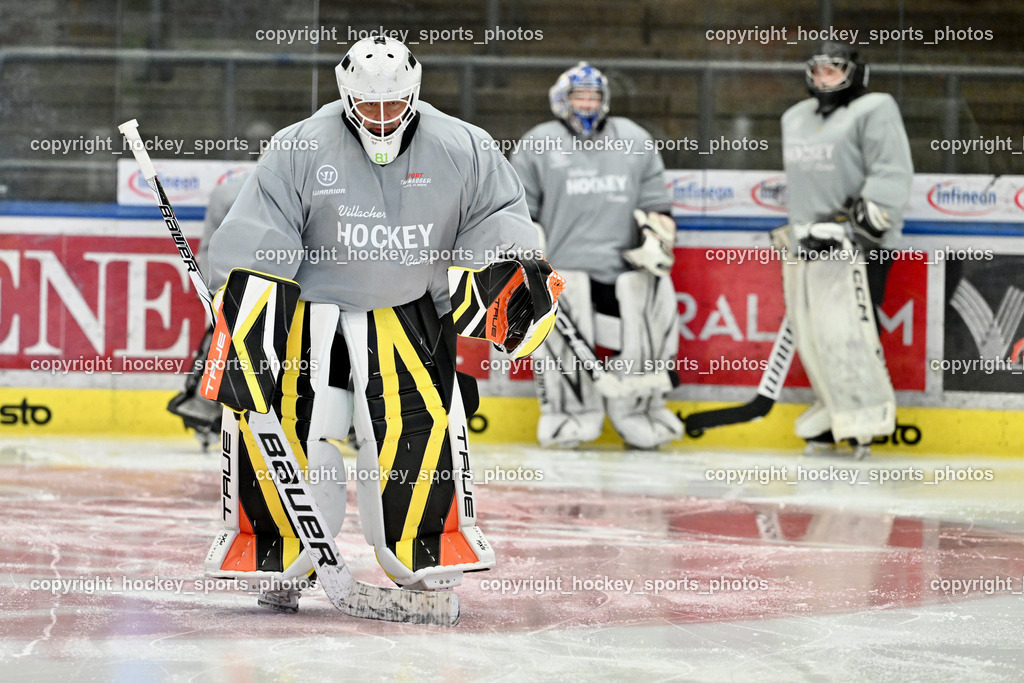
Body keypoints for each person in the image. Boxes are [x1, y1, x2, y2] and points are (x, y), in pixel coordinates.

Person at [202, 36, 563, 612]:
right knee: (291, 428)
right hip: (308, 312)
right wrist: (244, 308)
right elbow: (260, 233)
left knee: (416, 431)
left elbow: (497, 216)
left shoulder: (463, 145)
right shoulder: (298, 147)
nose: (380, 118)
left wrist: (508, 274)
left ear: (414, 94)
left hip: (408, 310)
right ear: (345, 95)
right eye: (368, 106)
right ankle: (277, 545)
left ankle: (422, 544)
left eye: (392, 105)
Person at [510, 62, 683, 450]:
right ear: (561, 99)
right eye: (579, 96)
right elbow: (521, 210)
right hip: (564, 272)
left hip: (624, 269)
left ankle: (642, 412)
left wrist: (657, 238)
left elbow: (656, 203)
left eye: (594, 96)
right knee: (559, 350)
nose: (587, 103)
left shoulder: (634, 139)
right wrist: (532, 250)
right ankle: (569, 415)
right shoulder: (539, 142)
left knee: (654, 311)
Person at [779, 42, 913, 458]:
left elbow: (891, 172)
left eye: (834, 71)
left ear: (854, 73)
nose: (824, 79)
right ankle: (835, 413)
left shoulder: (875, 108)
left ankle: (865, 419)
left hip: (856, 247)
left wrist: (852, 227)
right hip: (806, 244)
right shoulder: (794, 118)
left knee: (851, 332)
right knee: (814, 335)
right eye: (818, 72)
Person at [166, 171, 249, 448]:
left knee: (223, 343)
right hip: (242, 281)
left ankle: (202, 410)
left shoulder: (230, 190)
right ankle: (203, 410)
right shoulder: (247, 192)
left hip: (230, 279)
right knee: (225, 345)